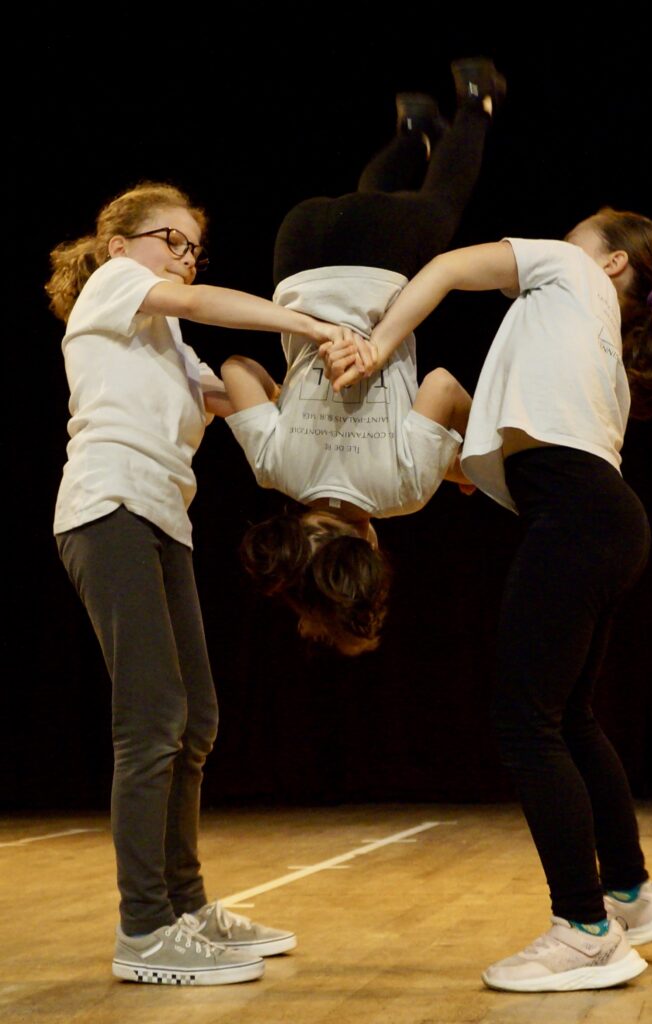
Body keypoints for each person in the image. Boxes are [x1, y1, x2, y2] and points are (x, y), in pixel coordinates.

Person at [324, 206, 652, 991]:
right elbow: (505, 461)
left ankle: (585, 930)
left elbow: (444, 270)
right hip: (600, 518)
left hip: (578, 518)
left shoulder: (564, 273)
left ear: (608, 264)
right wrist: (446, 461)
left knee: (525, 722)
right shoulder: (584, 339)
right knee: (565, 717)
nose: (558, 240)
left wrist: (373, 345)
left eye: (576, 232)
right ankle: (627, 894)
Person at [46, 181, 359, 985]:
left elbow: (233, 390)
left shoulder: (164, 340)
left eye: (192, 247)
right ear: (120, 245)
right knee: (151, 719)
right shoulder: (113, 288)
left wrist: (337, 408)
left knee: (197, 721)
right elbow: (223, 309)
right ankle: (143, 927)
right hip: (107, 506)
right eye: (169, 241)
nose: (182, 258)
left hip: (160, 518)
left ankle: (184, 906)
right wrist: (305, 322)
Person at [221, 57, 504, 655]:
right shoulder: (276, 469)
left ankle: (477, 97)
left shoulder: (403, 492)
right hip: (298, 247)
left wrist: (476, 449)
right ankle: (413, 129)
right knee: (370, 200)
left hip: (382, 258)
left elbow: (445, 386)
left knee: (442, 206)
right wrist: (285, 399)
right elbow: (235, 369)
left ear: (371, 550)